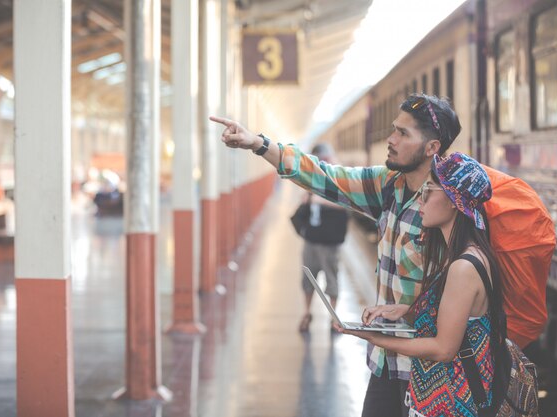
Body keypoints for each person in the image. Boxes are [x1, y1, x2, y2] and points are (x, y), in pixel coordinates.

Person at [209, 93, 461, 417]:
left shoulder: (449, 207)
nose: (391, 139)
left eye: (403, 133)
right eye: (394, 129)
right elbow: (324, 176)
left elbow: (464, 290)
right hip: (385, 363)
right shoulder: (388, 187)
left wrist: (413, 311)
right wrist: (258, 144)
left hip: (430, 374)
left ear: (432, 147)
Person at [337, 152, 507, 417]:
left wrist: (377, 338)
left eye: (429, 190)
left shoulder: (464, 266)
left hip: (453, 405)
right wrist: (405, 309)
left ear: (453, 201)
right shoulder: (461, 255)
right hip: (444, 399)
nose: (422, 200)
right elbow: (456, 319)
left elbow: (444, 348)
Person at [295, 143, 349, 333]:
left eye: (326, 160)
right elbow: (306, 200)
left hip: (330, 240)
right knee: (307, 279)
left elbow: (348, 204)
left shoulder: (341, 178)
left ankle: (333, 317)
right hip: (311, 238)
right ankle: (307, 313)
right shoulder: (313, 178)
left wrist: (317, 200)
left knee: (331, 278)